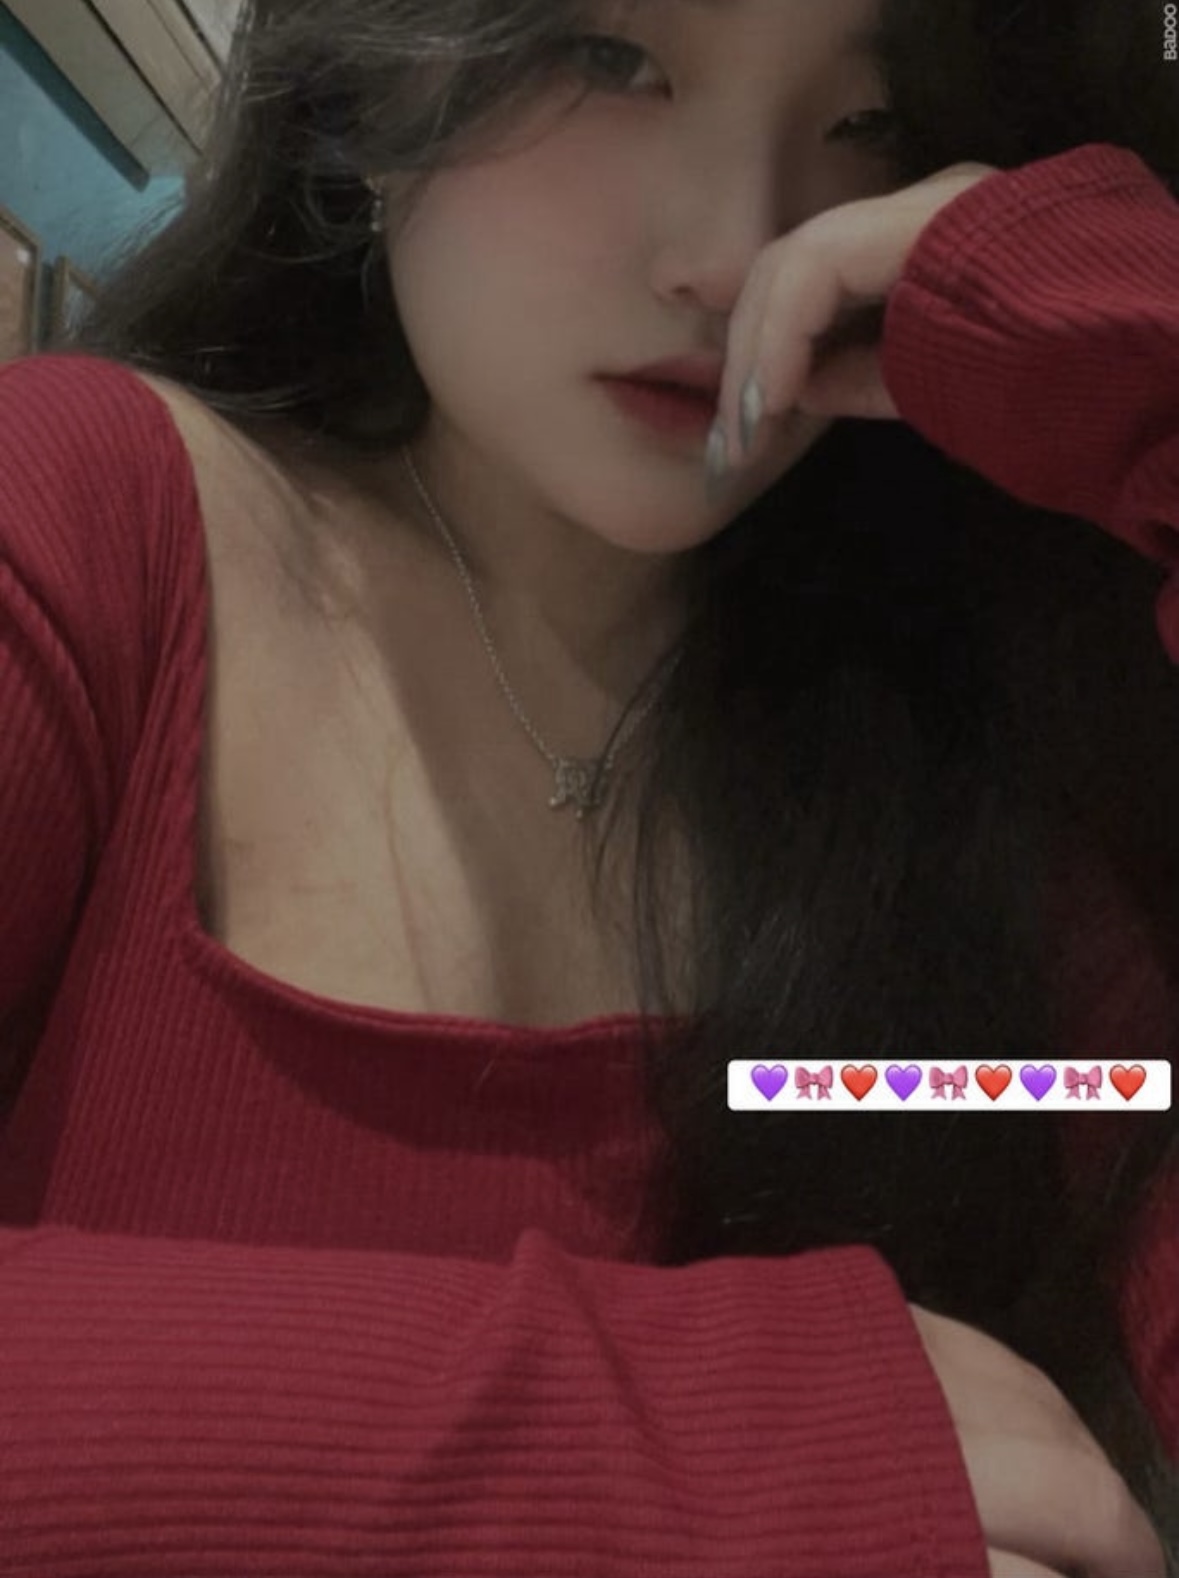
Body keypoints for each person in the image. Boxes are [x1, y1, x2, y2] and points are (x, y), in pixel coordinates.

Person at [0, 0, 1176, 1573]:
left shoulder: (963, 774)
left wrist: (1141, 368)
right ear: (372, 64)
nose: (737, 256)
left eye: (874, 121)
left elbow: (1129, 1123)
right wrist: (700, 1453)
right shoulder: (83, 535)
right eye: (612, 61)